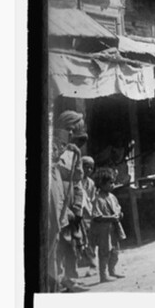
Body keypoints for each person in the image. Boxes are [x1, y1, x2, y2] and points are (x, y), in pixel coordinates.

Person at [48, 109, 90, 293]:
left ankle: (69, 279)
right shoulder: (53, 146)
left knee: (71, 245)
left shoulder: (73, 152)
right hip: (56, 203)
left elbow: (77, 181)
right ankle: (56, 281)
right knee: (55, 244)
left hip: (68, 205)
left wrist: (78, 207)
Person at [88, 167, 127, 282]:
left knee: (115, 250)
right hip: (103, 230)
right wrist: (111, 218)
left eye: (113, 183)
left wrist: (120, 214)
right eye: (110, 183)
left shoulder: (112, 197)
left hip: (114, 228)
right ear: (101, 184)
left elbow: (118, 209)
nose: (112, 185)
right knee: (105, 252)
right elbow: (96, 216)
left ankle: (112, 270)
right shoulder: (97, 199)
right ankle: (103, 275)